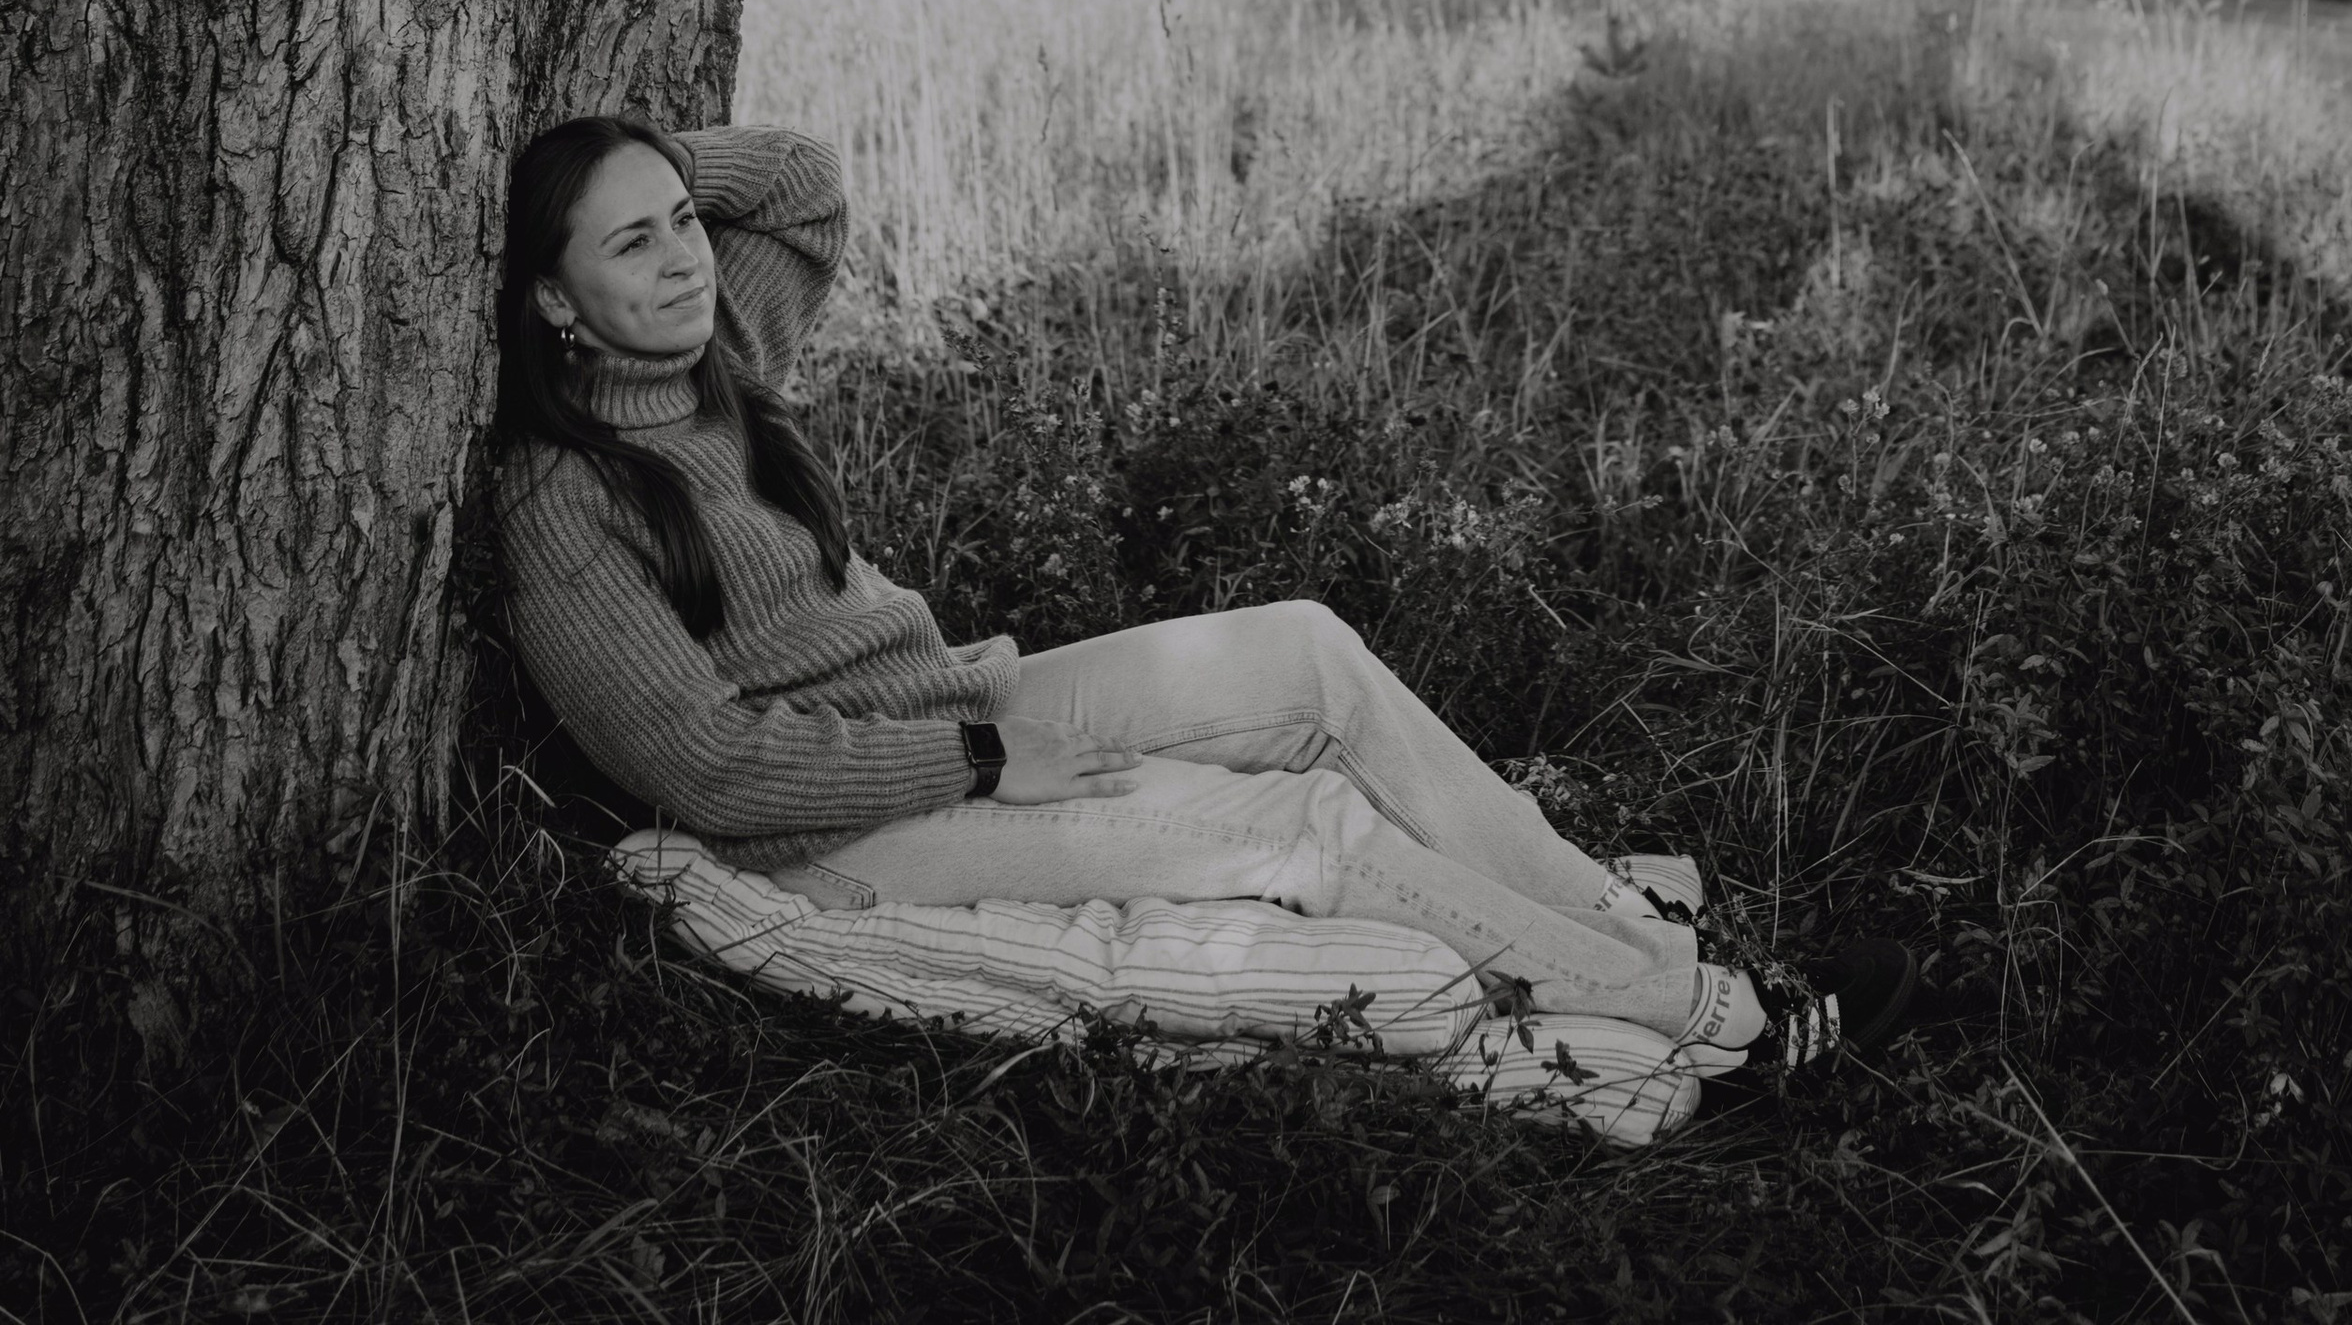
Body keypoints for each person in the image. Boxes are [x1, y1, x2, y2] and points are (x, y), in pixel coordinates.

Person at [495, 115, 1920, 1080]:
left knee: (1304, 652)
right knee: (1296, 827)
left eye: (683, 221)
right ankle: (1718, 1023)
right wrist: (991, 763)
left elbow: (798, 189)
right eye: (631, 245)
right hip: (841, 826)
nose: (686, 258)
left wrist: (637, 159)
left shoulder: (717, 357)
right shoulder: (569, 499)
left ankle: (1628, 925)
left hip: (956, 705)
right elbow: (706, 763)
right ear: (553, 303)